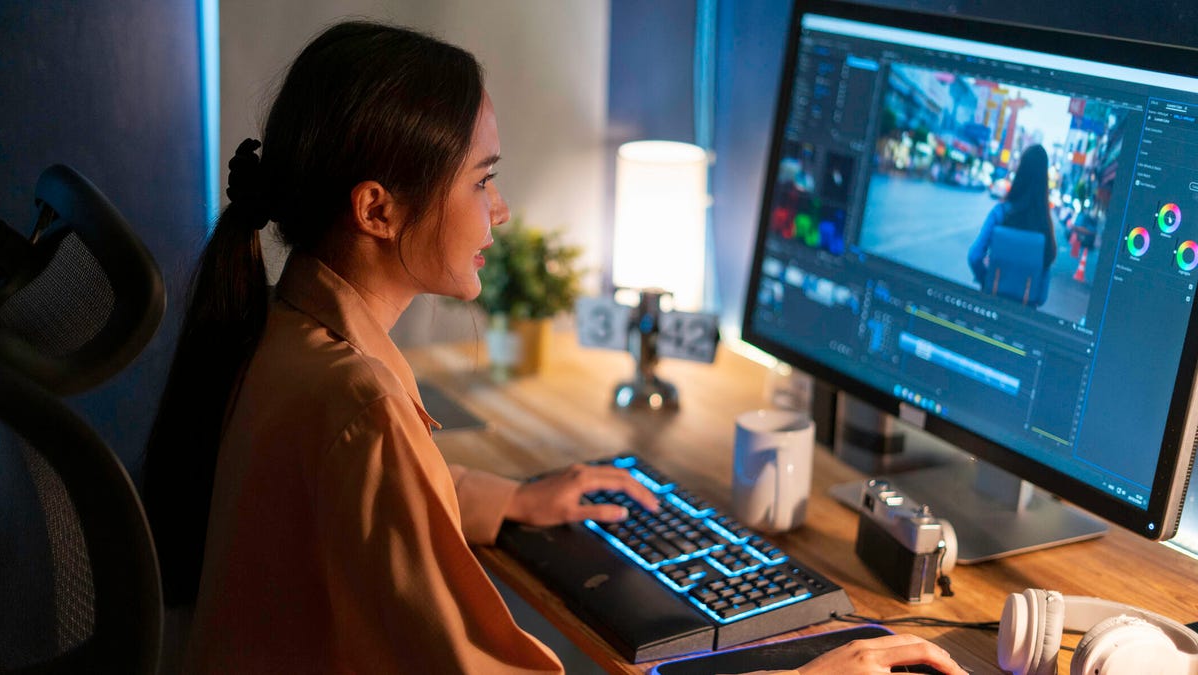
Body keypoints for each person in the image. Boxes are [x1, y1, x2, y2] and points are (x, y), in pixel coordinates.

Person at [141, 20, 967, 675]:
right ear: (376, 209)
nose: (498, 213)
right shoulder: (362, 407)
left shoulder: (292, 334)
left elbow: (367, 504)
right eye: (481, 179)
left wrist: (510, 498)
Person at [968, 144, 1057, 306]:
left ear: (1020, 172)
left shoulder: (1000, 213)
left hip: (991, 301)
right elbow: (1042, 297)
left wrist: (987, 280)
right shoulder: (1045, 226)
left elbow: (974, 256)